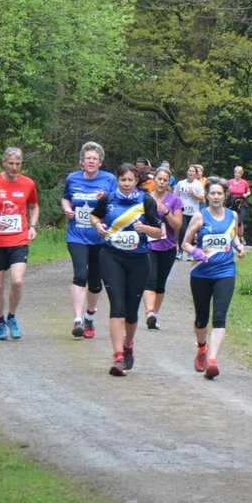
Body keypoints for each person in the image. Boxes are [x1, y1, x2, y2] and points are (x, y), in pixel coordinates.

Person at [90, 163, 162, 375]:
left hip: (139, 260)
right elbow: (95, 215)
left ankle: (128, 345)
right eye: (123, 180)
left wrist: (145, 228)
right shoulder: (107, 199)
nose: (127, 184)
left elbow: (159, 232)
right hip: (111, 256)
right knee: (117, 307)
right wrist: (98, 226)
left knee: (131, 312)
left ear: (136, 181)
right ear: (117, 181)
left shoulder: (145, 200)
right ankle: (118, 357)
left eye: (131, 180)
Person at [182, 176, 245, 379]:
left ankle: (212, 360)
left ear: (225, 196)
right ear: (207, 196)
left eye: (219, 193)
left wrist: (239, 247)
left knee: (219, 317)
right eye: (212, 193)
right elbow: (185, 243)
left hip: (226, 272)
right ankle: (202, 348)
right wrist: (195, 252)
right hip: (201, 273)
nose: (216, 196)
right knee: (201, 318)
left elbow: (233, 236)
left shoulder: (232, 215)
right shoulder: (200, 217)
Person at [0, 147, 39, 340]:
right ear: (4, 163)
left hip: (19, 240)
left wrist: (33, 226)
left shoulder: (28, 183)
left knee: (17, 281)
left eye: (18, 164)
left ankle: (11, 316)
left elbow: (34, 206)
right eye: (11, 163)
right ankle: (0, 321)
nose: (14, 167)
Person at [61, 141, 114, 339]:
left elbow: (119, 200)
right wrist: (66, 208)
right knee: (80, 275)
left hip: (100, 237)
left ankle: (90, 315)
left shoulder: (109, 179)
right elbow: (66, 197)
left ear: (100, 162)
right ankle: (77, 320)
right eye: (87, 158)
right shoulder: (72, 178)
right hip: (77, 235)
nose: (91, 161)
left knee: (95, 282)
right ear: (82, 162)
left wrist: (106, 197)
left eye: (95, 159)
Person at [144, 163, 183, 329]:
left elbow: (177, 225)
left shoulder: (175, 200)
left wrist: (166, 212)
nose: (161, 182)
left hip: (167, 246)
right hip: (149, 245)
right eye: (159, 179)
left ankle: (154, 315)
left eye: (165, 180)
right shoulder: (145, 197)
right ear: (154, 180)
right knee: (150, 280)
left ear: (169, 183)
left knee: (160, 284)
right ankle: (149, 312)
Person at [174, 164, 206, 260]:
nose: (191, 173)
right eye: (190, 171)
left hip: (193, 212)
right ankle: (180, 250)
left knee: (191, 232)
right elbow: (175, 196)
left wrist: (194, 194)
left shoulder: (198, 184)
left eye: (193, 171)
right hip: (182, 211)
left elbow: (202, 198)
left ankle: (190, 253)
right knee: (182, 231)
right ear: (187, 172)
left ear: (196, 174)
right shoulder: (181, 183)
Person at [227, 164, 251, 246]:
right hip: (232, 203)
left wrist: (246, 194)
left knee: (240, 221)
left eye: (239, 173)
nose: (237, 175)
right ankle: (232, 237)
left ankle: (241, 237)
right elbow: (225, 191)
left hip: (241, 203)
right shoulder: (229, 182)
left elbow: (248, 191)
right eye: (236, 173)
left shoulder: (244, 182)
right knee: (231, 220)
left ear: (242, 174)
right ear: (234, 173)